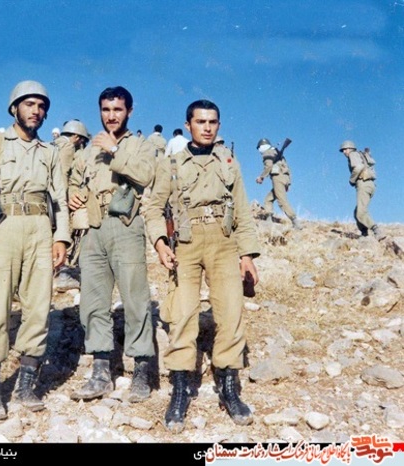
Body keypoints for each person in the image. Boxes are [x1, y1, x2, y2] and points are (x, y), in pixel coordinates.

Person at [142, 99, 260, 433]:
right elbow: (153, 208)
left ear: (218, 125)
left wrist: (247, 255)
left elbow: (242, 211)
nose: (207, 127)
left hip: (223, 242)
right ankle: (180, 391)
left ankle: (229, 388)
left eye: (212, 122)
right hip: (186, 242)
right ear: (188, 125)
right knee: (182, 314)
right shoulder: (171, 163)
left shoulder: (229, 162)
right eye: (200, 122)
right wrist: (160, 244)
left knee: (231, 313)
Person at [0, 80, 70, 420]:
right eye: (29, 104)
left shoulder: (49, 152)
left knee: (38, 306)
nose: (36, 111)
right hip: (3, 226)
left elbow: (60, 197)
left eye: (41, 106)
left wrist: (61, 237)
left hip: (40, 227)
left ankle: (26, 385)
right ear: (14, 109)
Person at [68, 86, 156, 403]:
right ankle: (101, 373)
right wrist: (73, 195)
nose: (111, 116)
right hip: (93, 227)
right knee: (93, 301)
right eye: (106, 110)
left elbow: (146, 175)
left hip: (126, 225)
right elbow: (75, 180)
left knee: (135, 299)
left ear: (129, 111)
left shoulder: (141, 145)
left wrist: (116, 151)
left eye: (117, 109)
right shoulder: (89, 150)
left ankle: (142, 371)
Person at [53, 119, 90, 292]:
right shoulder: (67, 147)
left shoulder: (53, 144)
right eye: (81, 140)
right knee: (65, 234)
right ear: (76, 137)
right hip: (59, 199)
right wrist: (67, 198)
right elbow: (62, 175)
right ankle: (63, 275)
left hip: (47, 199)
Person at [339, 140, 385, 240]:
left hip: (363, 184)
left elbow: (359, 167)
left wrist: (352, 180)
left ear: (350, 148)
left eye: (345, 149)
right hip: (370, 185)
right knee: (357, 212)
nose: (344, 152)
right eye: (343, 150)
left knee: (360, 213)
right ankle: (364, 234)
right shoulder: (360, 155)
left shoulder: (352, 154)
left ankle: (377, 231)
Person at [255, 138, 302, 229]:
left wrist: (261, 177)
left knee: (282, 201)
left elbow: (268, 166)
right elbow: (287, 168)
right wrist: (288, 183)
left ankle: (295, 221)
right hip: (285, 178)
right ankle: (268, 219)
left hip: (278, 178)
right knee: (268, 199)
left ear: (261, 147)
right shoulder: (276, 152)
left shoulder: (267, 153)